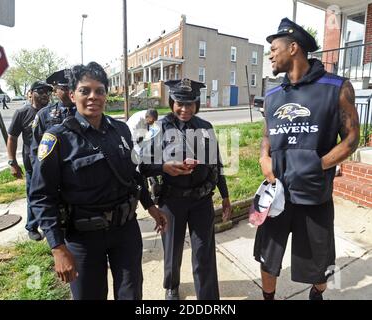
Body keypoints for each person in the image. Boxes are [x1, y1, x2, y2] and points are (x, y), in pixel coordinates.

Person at [29, 62, 167, 300]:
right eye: (85, 91)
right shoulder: (57, 139)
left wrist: (151, 206)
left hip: (125, 231)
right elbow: (41, 196)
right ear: (73, 95)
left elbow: (132, 174)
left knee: (131, 294)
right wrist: (57, 248)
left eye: (100, 90)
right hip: (83, 238)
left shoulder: (121, 130)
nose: (93, 96)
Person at [255, 18, 360, 300]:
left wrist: (318, 165)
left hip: (314, 195)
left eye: (274, 49)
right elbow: (268, 134)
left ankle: (316, 293)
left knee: (319, 265)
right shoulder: (273, 93)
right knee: (268, 258)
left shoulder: (336, 87)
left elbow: (351, 139)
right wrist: (264, 157)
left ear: (293, 48)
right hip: (276, 194)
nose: (270, 55)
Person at [139, 78, 232, 300]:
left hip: (202, 201)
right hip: (172, 201)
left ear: (196, 104)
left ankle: (208, 298)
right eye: (179, 103)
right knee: (172, 249)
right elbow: (142, 166)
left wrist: (225, 196)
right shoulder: (159, 128)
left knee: (204, 252)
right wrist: (164, 167)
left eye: (190, 103)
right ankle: (171, 286)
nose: (184, 109)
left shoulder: (205, 127)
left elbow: (216, 165)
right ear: (172, 103)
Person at [7, 80, 53, 241]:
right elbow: (12, 138)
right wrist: (12, 162)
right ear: (31, 93)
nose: (45, 95)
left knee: (52, 193)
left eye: (48, 92)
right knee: (34, 194)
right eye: (41, 91)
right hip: (32, 163)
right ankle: (32, 226)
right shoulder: (22, 113)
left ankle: (50, 225)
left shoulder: (52, 113)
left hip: (52, 161)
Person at [31, 69, 76, 154]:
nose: (70, 92)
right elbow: (36, 148)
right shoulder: (43, 115)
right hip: (54, 164)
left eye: (72, 87)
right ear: (55, 91)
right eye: (65, 88)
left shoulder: (86, 112)